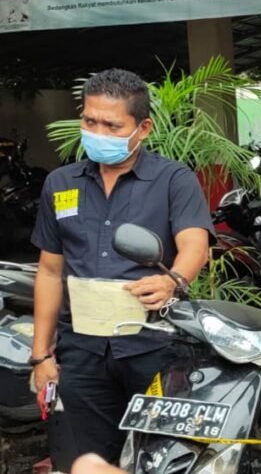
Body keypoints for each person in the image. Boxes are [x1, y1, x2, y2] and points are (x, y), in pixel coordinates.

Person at [30, 68, 215, 464]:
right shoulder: (61, 184)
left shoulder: (172, 180)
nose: (98, 132)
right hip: (82, 351)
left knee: (163, 457)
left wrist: (174, 280)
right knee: (92, 460)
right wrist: (41, 356)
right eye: (89, 121)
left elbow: (194, 244)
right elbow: (49, 272)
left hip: (155, 348)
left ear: (143, 128)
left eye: (112, 125)